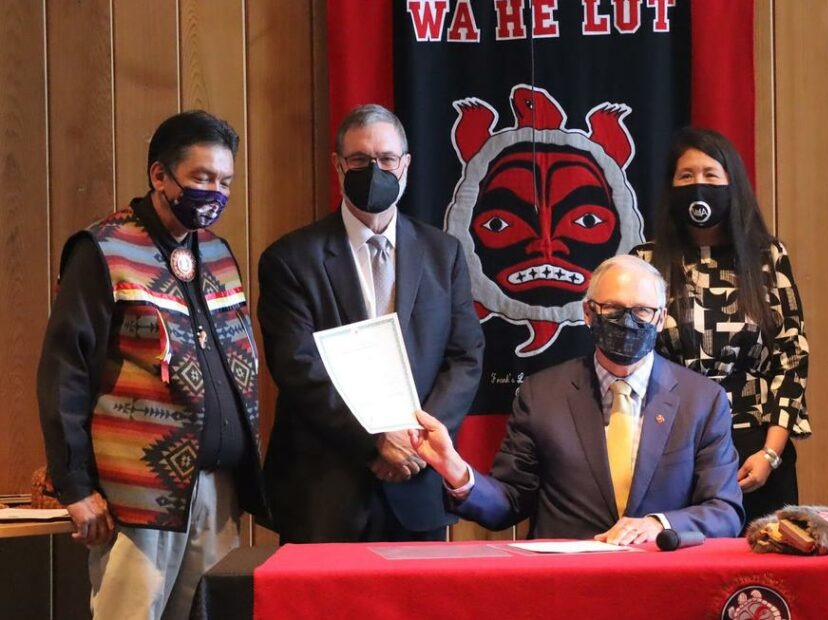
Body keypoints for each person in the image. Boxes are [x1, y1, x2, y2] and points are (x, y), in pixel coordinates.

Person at [37, 110, 267, 620]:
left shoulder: (218, 253)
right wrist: (75, 487)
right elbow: (64, 373)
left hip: (218, 488)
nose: (215, 192)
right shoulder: (103, 248)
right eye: (202, 178)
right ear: (159, 175)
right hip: (137, 496)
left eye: (225, 181)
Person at [259, 103, 484, 543]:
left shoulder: (444, 253)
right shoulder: (291, 259)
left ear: (406, 165)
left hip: (419, 483)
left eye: (385, 160)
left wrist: (418, 444)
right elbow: (297, 367)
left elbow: (465, 358)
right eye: (360, 160)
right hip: (323, 487)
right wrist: (375, 440)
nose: (374, 170)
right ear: (338, 166)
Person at [412, 255, 744, 544]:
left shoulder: (702, 400)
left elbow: (724, 511)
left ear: (660, 318)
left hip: (662, 583)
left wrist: (660, 524)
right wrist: (455, 469)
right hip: (566, 584)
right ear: (588, 312)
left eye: (642, 311)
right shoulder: (541, 395)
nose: (627, 322)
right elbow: (510, 502)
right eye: (612, 308)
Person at [634, 127, 810, 528]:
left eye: (711, 175)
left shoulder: (767, 256)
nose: (699, 185)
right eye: (686, 176)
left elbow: (791, 359)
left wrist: (771, 453)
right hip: (674, 444)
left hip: (756, 446)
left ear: (733, 183)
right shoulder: (645, 260)